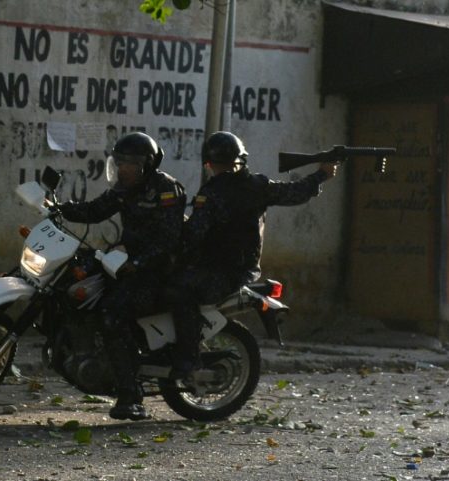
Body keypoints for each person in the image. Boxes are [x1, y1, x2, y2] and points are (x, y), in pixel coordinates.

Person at [167, 131, 338, 378]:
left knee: (179, 291)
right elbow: (295, 192)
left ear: (208, 164)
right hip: (228, 267)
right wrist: (321, 174)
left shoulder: (217, 192)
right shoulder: (254, 186)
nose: (218, 169)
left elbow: (194, 233)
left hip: (227, 271)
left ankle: (188, 357)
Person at [57, 132, 186, 420]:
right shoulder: (124, 188)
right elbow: (95, 210)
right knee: (71, 281)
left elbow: (168, 241)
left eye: (132, 163)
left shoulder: (166, 190)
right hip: (125, 261)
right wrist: (60, 208)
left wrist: (138, 262)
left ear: (148, 165)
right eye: (121, 163)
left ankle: (131, 395)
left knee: (113, 313)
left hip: (157, 272)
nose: (125, 169)